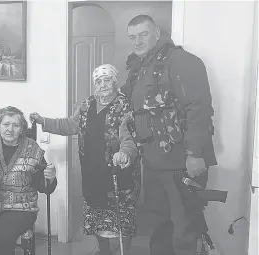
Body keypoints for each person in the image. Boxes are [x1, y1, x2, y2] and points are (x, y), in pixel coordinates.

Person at [122, 15, 217, 255]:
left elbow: (199, 109)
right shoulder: (139, 69)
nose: (137, 41)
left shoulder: (181, 61)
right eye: (132, 37)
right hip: (153, 162)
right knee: (158, 223)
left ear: (157, 32)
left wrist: (195, 154)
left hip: (180, 162)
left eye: (143, 34)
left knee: (184, 227)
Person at [30, 64, 141, 255]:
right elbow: (70, 125)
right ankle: (104, 252)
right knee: (98, 223)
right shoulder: (87, 104)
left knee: (119, 226)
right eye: (98, 82)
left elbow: (130, 138)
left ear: (115, 83)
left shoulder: (125, 107)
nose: (103, 85)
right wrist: (43, 121)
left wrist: (125, 154)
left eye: (107, 80)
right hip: (92, 174)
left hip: (117, 175)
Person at [0, 106, 57, 255]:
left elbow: (44, 187)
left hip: (21, 208)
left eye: (15, 125)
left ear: (22, 129)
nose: (10, 129)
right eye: (5, 124)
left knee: (3, 238)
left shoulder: (32, 148)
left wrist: (50, 177)